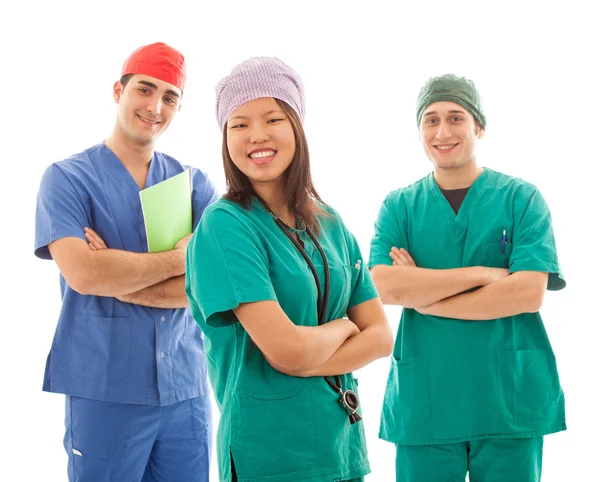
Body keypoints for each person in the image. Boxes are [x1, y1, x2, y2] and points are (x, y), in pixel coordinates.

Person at [185, 57, 393, 482]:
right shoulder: (226, 226)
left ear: (296, 125)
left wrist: (305, 357)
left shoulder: (330, 223)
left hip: (340, 446)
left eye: (272, 118)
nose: (256, 135)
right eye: (238, 124)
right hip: (270, 454)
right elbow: (286, 351)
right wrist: (341, 328)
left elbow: (381, 337)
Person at [34, 42, 217, 482]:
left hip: (185, 391)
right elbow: (83, 272)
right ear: (118, 90)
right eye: (145, 89)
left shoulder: (194, 185)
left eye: (170, 97)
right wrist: (180, 259)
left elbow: (214, 285)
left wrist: (115, 276)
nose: (155, 106)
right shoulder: (66, 178)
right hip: (103, 389)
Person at [369, 74, 566, 482]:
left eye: (456, 118)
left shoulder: (522, 199)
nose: (443, 132)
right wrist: (483, 275)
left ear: (479, 126)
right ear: (419, 131)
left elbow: (528, 293)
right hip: (428, 404)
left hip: (505, 400)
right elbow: (385, 286)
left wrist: (422, 292)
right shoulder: (399, 207)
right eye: (431, 120)